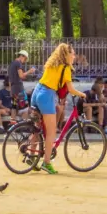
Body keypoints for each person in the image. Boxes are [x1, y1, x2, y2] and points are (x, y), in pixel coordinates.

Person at [31, 43, 86, 175]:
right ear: (66, 55)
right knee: (51, 133)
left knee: (36, 128)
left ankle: (32, 157)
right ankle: (46, 163)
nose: (74, 56)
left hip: (37, 92)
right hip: (46, 95)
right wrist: (82, 94)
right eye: (72, 53)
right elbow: (71, 89)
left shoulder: (52, 64)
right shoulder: (65, 68)